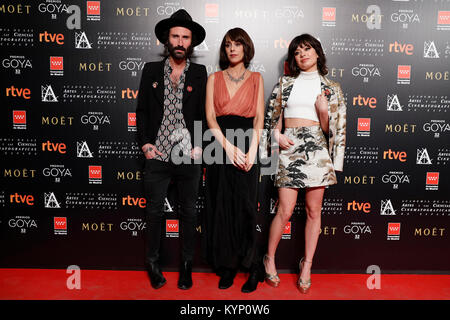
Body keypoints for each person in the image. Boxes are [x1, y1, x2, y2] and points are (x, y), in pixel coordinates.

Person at [261, 34, 346, 293]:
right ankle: (269, 258)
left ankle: (307, 265)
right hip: (289, 148)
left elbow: (337, 131)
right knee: (284, 210)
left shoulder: (332, 88)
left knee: (313, 212)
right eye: (297, 52)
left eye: (307, 49)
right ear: (293, 59)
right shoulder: (284, 83)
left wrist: (322, 112)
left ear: (317, 53)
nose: (303, 55)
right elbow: (270, 120)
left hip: (318, 150)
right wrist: (276, 135)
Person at [135, 9, 207, 290]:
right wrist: (145, 144)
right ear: (167, 39)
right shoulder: (151, 70)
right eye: (175, 36)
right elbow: (141, 111)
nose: (180, 41)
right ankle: (152, 263)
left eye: (185, 37)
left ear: (191, 42)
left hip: (189, 155)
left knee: (188, 212)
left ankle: (187, 265)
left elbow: (204, 112)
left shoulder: (200, 73)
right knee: (154, 213)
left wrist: (200, 145)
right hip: (158, 155)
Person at [203, 28, 265, 293]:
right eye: (228, 44)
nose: (232, 48)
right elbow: (210, 118)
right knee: (222, 207)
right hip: (219, 146)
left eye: (237, 44)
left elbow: (260, 118)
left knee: (247, 207)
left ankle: (253, 268)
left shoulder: (257, 79)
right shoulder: (213, 78)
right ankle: (227, 267)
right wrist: (227, 147)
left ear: (246, 48)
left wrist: (252, 151)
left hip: (248, 145)